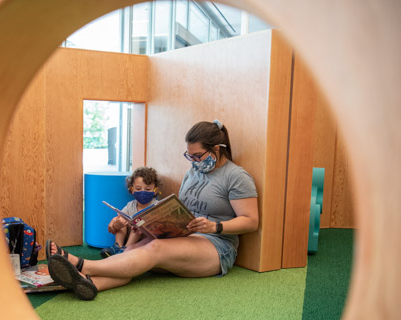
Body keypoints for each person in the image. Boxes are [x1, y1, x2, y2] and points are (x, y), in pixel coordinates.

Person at [45, 120, 259, 300]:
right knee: (133, 250)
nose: (193, 162)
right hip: (187, 236)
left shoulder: (237, 177)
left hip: (216, 247)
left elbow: (250, 221)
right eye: (189, 156)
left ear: (217, 149)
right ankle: (91, 284)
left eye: (198, 156)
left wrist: (215, 226)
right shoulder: (192, 173)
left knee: (155, 249)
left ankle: (83, 266)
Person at [100, 166, 161, 258]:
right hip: (130, 234)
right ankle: (118, 246)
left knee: (138, 224)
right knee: (122, 219)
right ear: (132, 189)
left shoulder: (157, 205)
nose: (143, 192)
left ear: (155, 190)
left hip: (143, 240)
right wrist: (118, 223)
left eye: (147, 189)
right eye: (138, 188)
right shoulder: (130, 205)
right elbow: (120, 218)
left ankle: (126, 249)